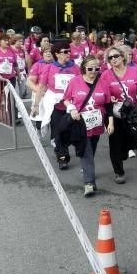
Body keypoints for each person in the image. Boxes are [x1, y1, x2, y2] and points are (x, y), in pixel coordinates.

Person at [98, 45, 137, 184]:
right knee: (115, 142)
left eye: (116, 56)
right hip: (113, 114)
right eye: (110, 58)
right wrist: (109, 98)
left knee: (131, 138)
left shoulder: (134, 71)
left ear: (122, 57)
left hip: (130, 112)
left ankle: (125, 151)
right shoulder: (106, 75)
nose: (113, 59)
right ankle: (119, 172)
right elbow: (101, 94)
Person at [62, 54, 110, 197]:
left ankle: (86, 166)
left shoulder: (103, 83)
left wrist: (110, 122)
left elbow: (108, 104)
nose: (93, 71)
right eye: (90, 68)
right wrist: (72, 109)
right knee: (86, 150)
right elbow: (66, 99)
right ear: (83, 68)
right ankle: (89, 183)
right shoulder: (75, 81)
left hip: (96, 124)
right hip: (81, 122)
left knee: (91, 149)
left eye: (97, 68)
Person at [32, 41, 81, 169]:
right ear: (57, 54)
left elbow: (81, 84)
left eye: (69, 51)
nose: (68, 54)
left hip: (72, 105)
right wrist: (36, 105)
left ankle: (69, 146)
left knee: (72, 130)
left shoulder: (75, 67)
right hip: (56, 106)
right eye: (65, 52)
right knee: (58, 130)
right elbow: (42, 87)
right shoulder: (49, 68)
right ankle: (62, 157)